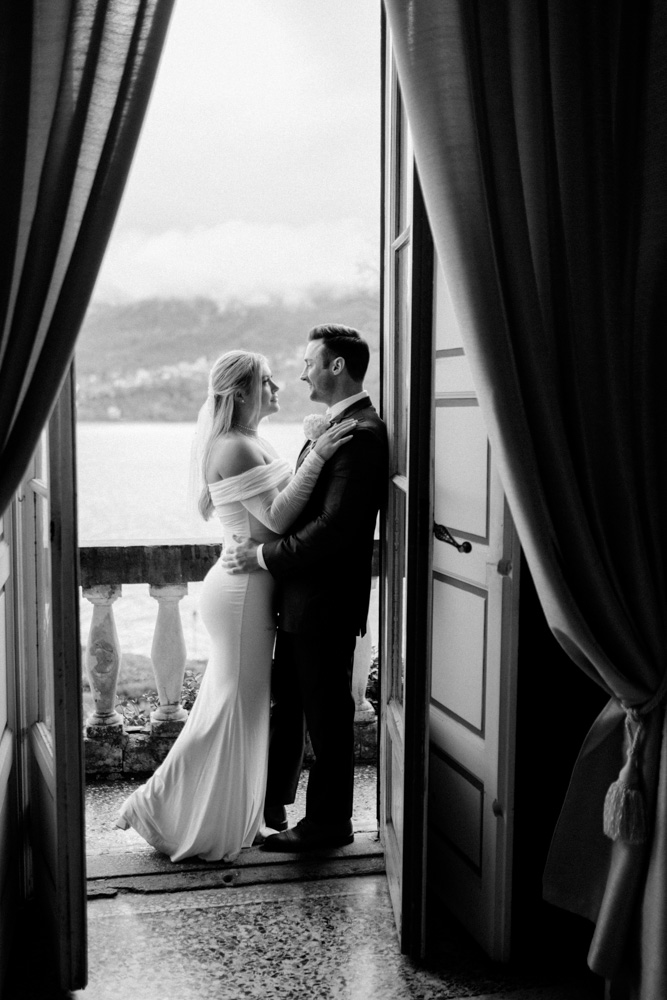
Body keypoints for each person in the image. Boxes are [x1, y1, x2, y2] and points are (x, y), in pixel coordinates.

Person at [115, 349, 356, 862]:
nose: (277, 387)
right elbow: (276, 518)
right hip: (242, 592)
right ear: (242, 391)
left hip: (251, 588)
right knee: (232, 707)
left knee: (239, 709)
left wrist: (314, 448)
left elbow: (283, 503)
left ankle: (224, 813)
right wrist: (318, 455)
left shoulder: (251, 440)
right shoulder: (232, 447)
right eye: (266, 381)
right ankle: (153, 804)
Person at [222, 324, 388, 851]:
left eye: (310, 362)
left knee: (328, 715)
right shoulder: (338, 428)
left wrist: (265, 555)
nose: (301, 372)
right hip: (301, 600)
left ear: (336, 366)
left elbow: (336, 529)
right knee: (292, 705)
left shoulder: (360, 433)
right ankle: (273, 803)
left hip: (324, 602)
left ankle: (329, 824)